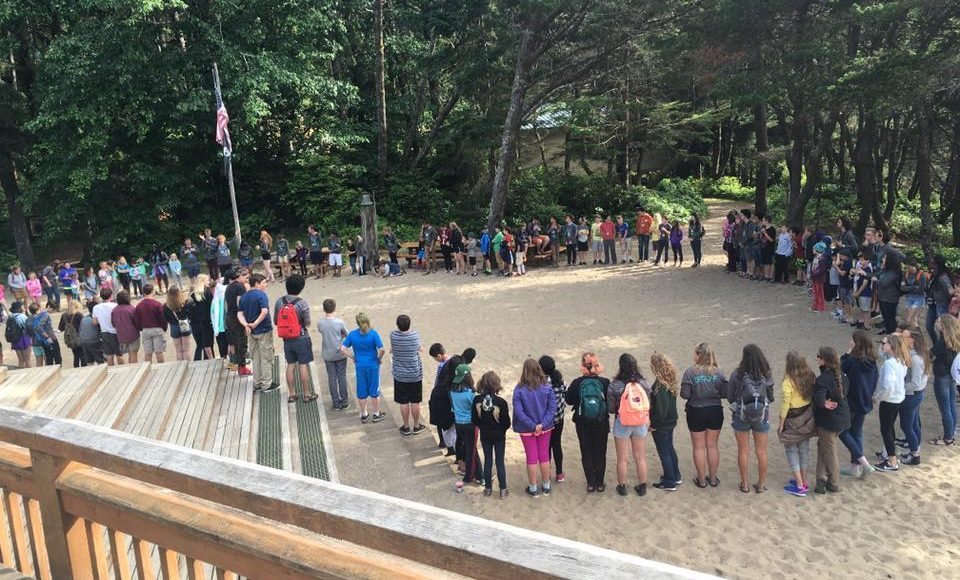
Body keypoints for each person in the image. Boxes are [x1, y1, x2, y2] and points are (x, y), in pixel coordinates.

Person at [727, 344, 774, 493]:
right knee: (761, 451)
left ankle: (745, 484)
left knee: (743, 450)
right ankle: (760, 485)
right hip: (761, 415)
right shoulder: (766, 374)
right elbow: (771, 397)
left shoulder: (737, 374)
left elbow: (730, 397)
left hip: (742, 414)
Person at [680, 342, 727, 488]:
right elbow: (725, 393)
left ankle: (701, 480)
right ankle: (712, 478)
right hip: (715, 410)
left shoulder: (690, 372)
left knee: (699, 446)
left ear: (699, 355)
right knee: (712, 446)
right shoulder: (719, 372)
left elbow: (685, 394)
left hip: (696, 410)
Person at [564, 353, 610, 493]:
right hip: (601, 421)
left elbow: (568, 400)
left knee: (586, 451)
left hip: (582, 421)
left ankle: (590, 483)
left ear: (583, 366)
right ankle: (600, 483)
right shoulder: (605, 382)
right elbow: (610, 402)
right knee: (600, 452)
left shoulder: (577, 383)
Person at [608, 353, 651, 497]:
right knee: (640, 457)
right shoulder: (643, 383)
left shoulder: (615, 385)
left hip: (623, 421)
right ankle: (643, 485)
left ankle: (622, 486)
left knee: (622, 458)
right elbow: (649, 402)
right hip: (640, 421)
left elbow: (611, 408)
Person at [513, 358, 557, 498]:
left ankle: (533, 488)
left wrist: (533, 426)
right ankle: (546, 486)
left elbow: (519, 412)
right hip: (544, 427)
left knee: (531, 457)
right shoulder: (547, 388)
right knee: (544, 456)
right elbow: (552, 408)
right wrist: (542, 424)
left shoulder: (519, 389)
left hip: (527, 429)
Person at [272, 273, 318, 403]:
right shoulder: (302, 303)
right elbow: (307, 322)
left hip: (287, 339)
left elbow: (276, 321)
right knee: (303, 365)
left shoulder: (279, 302)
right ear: (301, 287)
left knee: (290, 364)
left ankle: (292, 394)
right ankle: (306, 393)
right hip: (301, 337)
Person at [813, 346, 851, 494]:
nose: (817, 359)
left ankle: (833, 482)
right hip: (841, 418)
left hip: (828, 421)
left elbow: (819, 400)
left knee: (829, 451)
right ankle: (820, 480)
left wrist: (823, 403)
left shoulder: (823, 379)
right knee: (823, 447)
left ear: (824, 360)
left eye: (818, 356)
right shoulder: (842, 376)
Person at [778, 352, 816, 497]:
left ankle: (800, 486)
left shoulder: (788, 382)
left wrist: (781, 423)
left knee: (791, 449)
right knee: (804, 448)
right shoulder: (810, 376)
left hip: (793, 418)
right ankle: (803, 480)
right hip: (807, 416)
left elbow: (785, 404)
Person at [340, 312, 385, 423]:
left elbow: (343, 349)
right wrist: (379, 359)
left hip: (360, 366)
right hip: (373, 366)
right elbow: (382, 349)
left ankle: (364, 414)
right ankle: (376, 413)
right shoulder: (373, 334)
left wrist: (353, 357)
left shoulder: (352, 335)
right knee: (374, 390)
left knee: (362, 391)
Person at [874, 334, 910, 472]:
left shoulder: (890, 364)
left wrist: (879, 398)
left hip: (889, 400)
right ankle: (888, 454)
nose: (882, 346)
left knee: (886, 430)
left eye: (884, 344)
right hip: (898, 399)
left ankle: (892, 461)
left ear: (892, 346)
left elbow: (888, 386)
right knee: (890, 428)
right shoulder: (901, 360)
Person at [473, 371, 511, 498]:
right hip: (499, 435)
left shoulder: (477, 400)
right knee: (500, 461)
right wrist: (501, 430)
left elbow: (474, 419)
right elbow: (506, 422)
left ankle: (488, 488)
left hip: (485, 434)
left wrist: (482, 425)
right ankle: (503, 489)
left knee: (488, 460)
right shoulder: (501, 402)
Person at [648, 353, 681, 491]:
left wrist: (653, 425)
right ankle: (675, 475)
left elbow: (661, 410)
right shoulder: (669, 382)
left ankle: (669, 481)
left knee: (664, 452)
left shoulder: (660, 387)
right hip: (670, 422)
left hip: (662, 424)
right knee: (669, 448)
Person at [238, 274, 275, 392]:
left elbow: (240, 313)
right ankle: (267, 384)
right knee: (266, 357)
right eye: (264, 282)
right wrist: (255, 323)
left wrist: (246, 325)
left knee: (255, 356)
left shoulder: (244, 297)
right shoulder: (261, 295)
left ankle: (257, 382)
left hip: (251, 331)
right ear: (257, 284)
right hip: (263, 329)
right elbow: (264, 311)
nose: (265, 285)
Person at [898, 328, 929, 465]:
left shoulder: (916, 359)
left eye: (904, 337)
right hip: (916, 395)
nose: (901, 339)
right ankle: (915, 449)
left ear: (912, 340)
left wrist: (899, 387)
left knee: (906, 426)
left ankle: (915, 454)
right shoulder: (919, 354)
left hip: (911, 396)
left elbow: (915, 383)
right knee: (914, 424)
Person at [390, 314, 425, 434]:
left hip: (400, 375)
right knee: (415, 401)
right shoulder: (414, 336)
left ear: (397, 325)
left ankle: (406, 426)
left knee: (403, 402)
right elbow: (419, 348)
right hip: (414, 374)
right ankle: (416, 425)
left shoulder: (393, 336)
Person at [930, 314, 959, 446]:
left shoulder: (942, 343)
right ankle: (951, 433)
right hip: (951, 375)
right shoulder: (955, 339)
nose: (936, 323)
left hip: (942, 377)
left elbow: (930, 353)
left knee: (945, 408)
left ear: (943, 326)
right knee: (951, 405)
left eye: (939, 322)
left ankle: (948, 437)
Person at [450, 363, 480, 484]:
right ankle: (470, 476)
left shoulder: (452, 392)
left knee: (467, 448)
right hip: (470, 424)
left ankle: (477, 474)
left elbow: (453, 409)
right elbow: (475, 410)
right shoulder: (470, 394)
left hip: (458, 423)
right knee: (471, 451)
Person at [538, 356, 566, 483]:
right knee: (557, 444)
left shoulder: (542, 382)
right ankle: (559, 473)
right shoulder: (560, 380)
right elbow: (565, 393)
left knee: (547, 446)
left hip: (546, 420)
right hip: (559, 418)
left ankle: (547, 472)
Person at [318, 299, 349, 410]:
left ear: (324, 309)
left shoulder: (320, 323)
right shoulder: (339, 322)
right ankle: (344, 400)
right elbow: (347, 334)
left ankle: (335, 402)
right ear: (334, 308)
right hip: (340, 353)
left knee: (331, 377)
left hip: (328, 353)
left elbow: (321, 331)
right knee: (341, 376)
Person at [224, 268, 250, 374]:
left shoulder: (229, 286)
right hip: (237, 318)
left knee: (234, 342)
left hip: (229, 317)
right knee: (241, 342)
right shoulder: (240, 287)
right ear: (240, 276)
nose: (247, 280)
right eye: (246, 277)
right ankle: (242, 367)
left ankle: (236, 364)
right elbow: (240, 303)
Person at [134, 283, 168, 363]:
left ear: (143, 292)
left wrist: (140, 328)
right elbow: (162, 318)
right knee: (159, 352)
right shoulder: (157, 304)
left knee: (148, 353)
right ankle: (162, 367)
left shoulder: (139, 306)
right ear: (152, 291)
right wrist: (164, 327)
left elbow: (136, 319)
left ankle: (148, 368)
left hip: (145, 329)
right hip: (157, 328)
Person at [186, 275, 215, 361]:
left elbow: (188, 310)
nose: (209, 282)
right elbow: (211, 307)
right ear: (202, 281)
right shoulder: (207, 293)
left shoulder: (192, 295)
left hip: (195, 323)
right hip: (206, 322)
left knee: (199, 345)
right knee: (209, 344)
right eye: (207, 280)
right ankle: (209, 360)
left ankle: (197, 361)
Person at [926, 255, 953, 341]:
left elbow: (949, 292)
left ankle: (945, 346)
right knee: (928, 326)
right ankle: (936, 344)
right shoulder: (934, 276)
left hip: (942, 305)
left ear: (938, 265)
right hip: (933, 305)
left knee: (943, 328)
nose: (931, 266)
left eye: (933, 264)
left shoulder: (943, 277)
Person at [874, 253, 902, 335]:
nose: (883, 260)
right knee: (886, 318)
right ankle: (889, 335)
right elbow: (876, 276)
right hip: (882, 297)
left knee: (890, 319)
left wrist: (876, 280)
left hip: (890, 299)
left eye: (884, 258)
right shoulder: (885, 270)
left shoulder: (894, 272)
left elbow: (884, 283)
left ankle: (893, 336)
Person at [91, 289, 121, 365]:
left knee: (109, 355)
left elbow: (94, 322)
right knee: (119, 354)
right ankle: (123, 369)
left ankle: (111, 370)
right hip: (115, 332)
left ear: (101, 296)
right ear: (111, 296)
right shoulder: (115, 305)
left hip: (104, 333)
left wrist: (102, 320)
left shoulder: (96, 307)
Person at [163, 286, 192, 361]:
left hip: (174, 326)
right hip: (184, 324)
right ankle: (188, 365)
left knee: (178, 350)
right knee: (186, 350)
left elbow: (166, 318)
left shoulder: (166, 306)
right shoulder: (185, 303)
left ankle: (180, 365)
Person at [111, 290, 139, 364]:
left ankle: (130, 367)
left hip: (121, 336)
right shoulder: (131, 309)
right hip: (133, 335)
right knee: (133, 353)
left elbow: (113, 323)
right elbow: (137, 322)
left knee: (128, 354)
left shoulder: (114, 310)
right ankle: (133, 368)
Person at [900, 259, 928, 329]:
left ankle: (906, 325)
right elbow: (902, 288)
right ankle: (916, 329)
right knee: (913, 318)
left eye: (909, 267)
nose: (908, 269)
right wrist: (913, 287)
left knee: (911, 316)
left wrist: (908, 288)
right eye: (907, 267)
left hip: (919, 298)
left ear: (914, 267)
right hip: (909, 297)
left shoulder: (922, 275)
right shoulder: (906, 274)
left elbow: (921, 289)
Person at [59, 299, 86, 367]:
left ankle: (76, 368)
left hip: (71, 339)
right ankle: (84, 369)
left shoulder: (64, 315)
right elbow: (84, 325)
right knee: (82, 355)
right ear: (77, 306)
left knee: (75, 355)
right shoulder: (79, 315)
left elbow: (60, 328)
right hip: (79, 337)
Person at [78, 301, 103, 366]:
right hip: (94, 341)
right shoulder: (96, 318)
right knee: (100, 361)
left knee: (89, 362)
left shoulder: (84, 318)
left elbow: (80, 330)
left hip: (83, 341)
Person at [7, 302, 31, 367]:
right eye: (22, 306)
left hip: (15, 340)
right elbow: (28, 326)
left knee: (21, 360)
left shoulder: (10, 316)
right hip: (24, 339)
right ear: (19, 308)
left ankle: (20, 371)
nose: (24, 307)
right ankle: (30, 372)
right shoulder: (22, 316)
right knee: (27, 360)